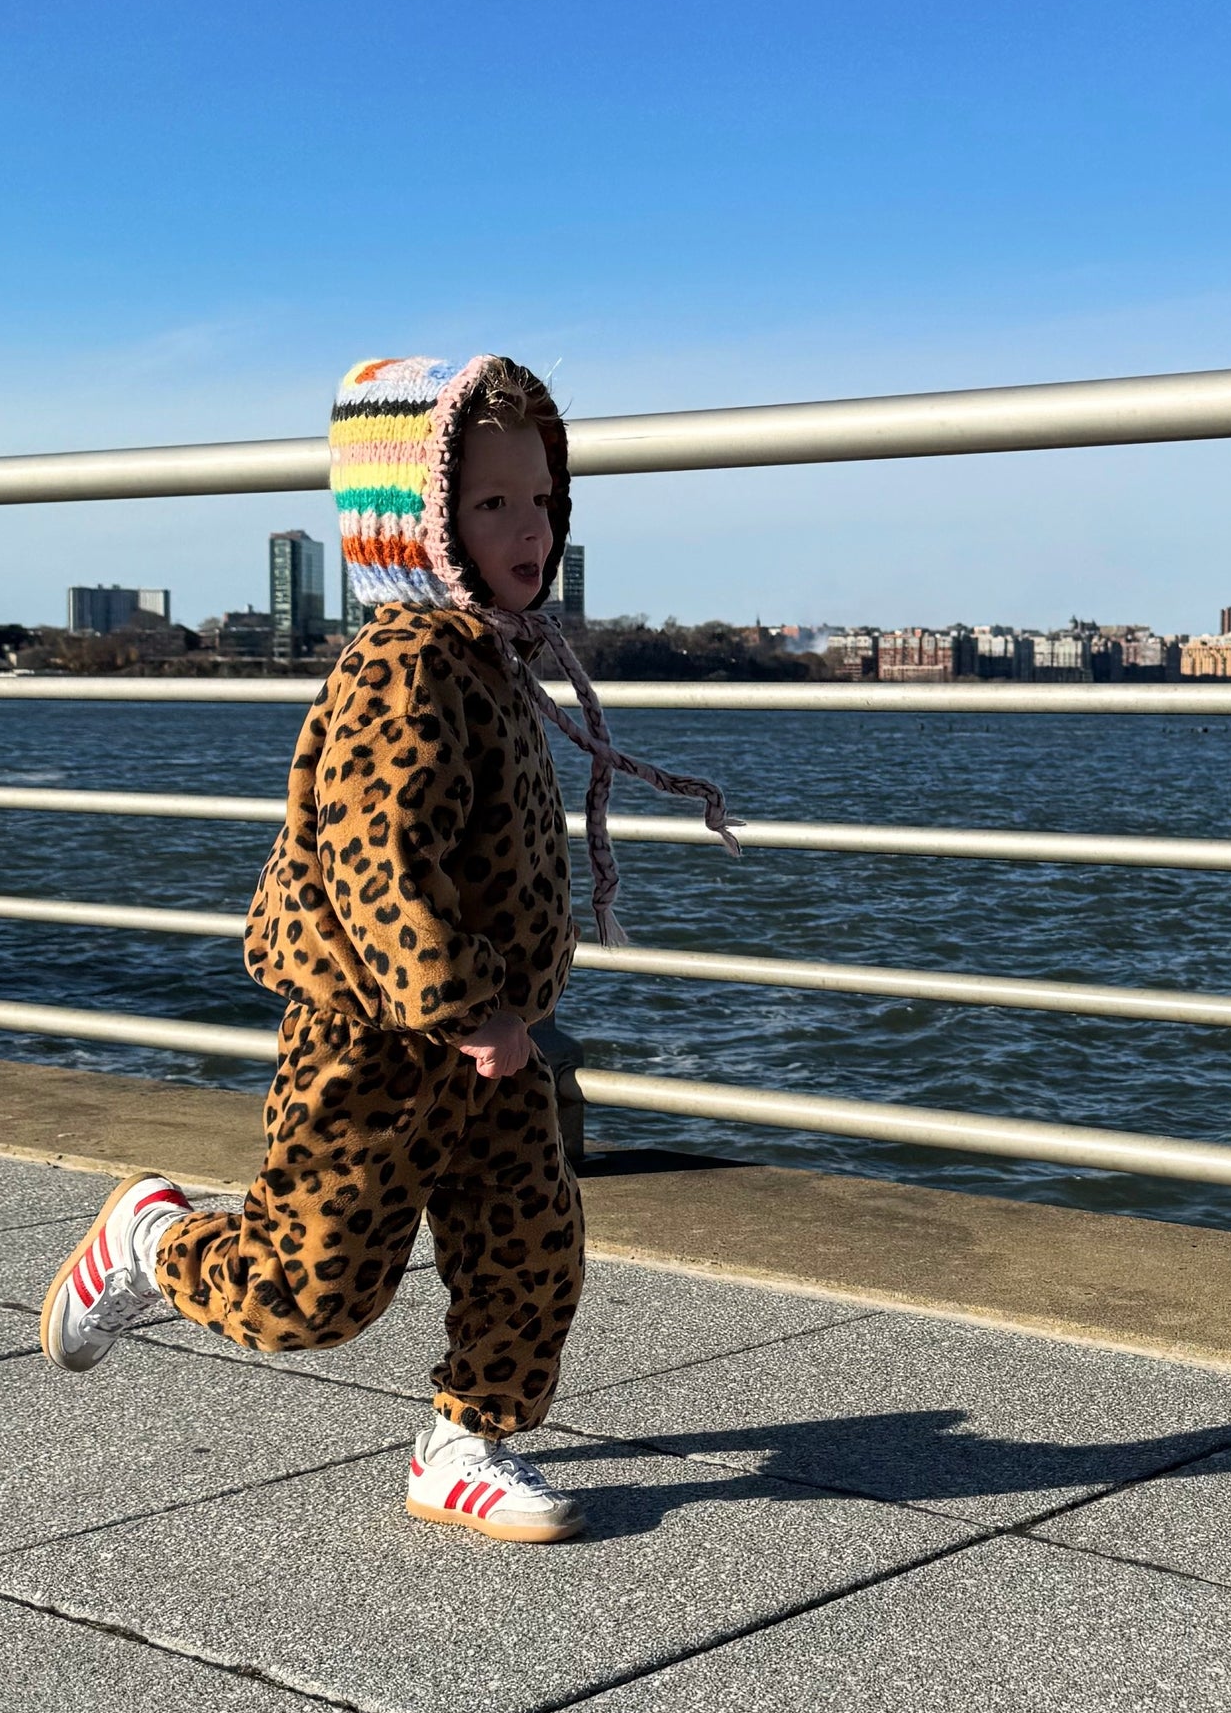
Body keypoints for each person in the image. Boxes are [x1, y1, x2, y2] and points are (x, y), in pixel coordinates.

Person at [38, 352, 734, 1542]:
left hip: (492, 1043)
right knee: (310, 1289)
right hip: (374, 1040)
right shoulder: (403, 671)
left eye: (545, 500)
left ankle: (464, 1442)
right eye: (494, 505)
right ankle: (152, 1241)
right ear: (414, 528)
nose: (533, 530)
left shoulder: (490, 652)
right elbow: (378, 867)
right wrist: (466, 1004)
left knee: (530, 1247)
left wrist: (497, 1018)